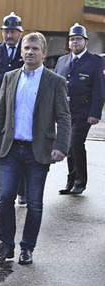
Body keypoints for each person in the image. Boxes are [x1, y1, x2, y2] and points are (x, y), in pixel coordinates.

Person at [0, 32, 70, 265]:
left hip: (38, 151)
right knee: (4, 198)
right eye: (27, 48)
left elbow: (63, 116)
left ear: (44, 53)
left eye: (35, 48)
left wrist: (61, 146)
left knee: (34, 202)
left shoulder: (55, 82)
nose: (30, 52)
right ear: (21, 52)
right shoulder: (10, 77)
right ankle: (6, 246)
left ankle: (27, 248)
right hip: (11, 149)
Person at [54, 23, 105, 195]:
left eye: (78, 39)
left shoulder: (96, 62)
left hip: (84, 110)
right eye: (72, 39)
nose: (75, 42)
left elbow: (99, 90)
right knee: (69, 147)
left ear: (86, 42)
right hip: (65, 111)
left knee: (75, 143)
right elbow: (56, 87)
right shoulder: (62, 61)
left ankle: (80, 181)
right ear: (68, 43)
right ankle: (71, 180)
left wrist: (95, 113)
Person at [0, 12, 26, 205]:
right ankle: (2, 191)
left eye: (13, 32)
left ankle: (22, 191)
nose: (9, 35)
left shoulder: (25, 51)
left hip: (19, 109)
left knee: (21, 151)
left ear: (20, 33)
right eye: (6, 31)